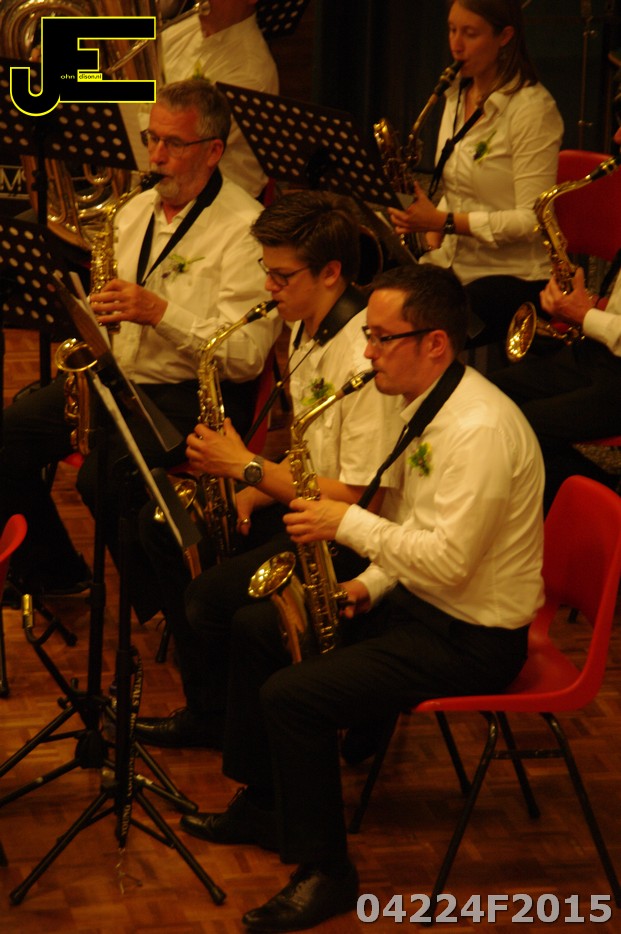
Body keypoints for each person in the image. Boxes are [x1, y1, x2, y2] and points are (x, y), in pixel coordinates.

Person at [176, 262, 545, 931]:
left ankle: (327, 873)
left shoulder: (479, 431)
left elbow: (450, 562)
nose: (367, 350)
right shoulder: (427, 403)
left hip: (472, 637)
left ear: (434, 343)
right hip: (421, 604)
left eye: (381, 337)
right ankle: (264, 805)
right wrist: (365, 587)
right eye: (368, 335)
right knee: (259, 628)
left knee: (294, 696)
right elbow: (413, 524)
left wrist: (342, 523)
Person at [0, 78, 280, 621]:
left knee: (101, 476)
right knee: (8, 435)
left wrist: (159, 312)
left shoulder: (246, 229)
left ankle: (179, 613)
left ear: (213, 151)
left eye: (173, 143)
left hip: (193, 397)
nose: (156, 157)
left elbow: (246, 356)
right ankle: (57, 573)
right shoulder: (132, 211)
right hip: (121, 381)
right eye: (152, 139)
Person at [134, 189, 403, 751]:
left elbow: (362, 498)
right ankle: (212, 708)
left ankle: (258, 715)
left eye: (281, 276)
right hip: (303, 501)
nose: (268, 287)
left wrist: (250, 470)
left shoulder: (365, 356)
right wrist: (254, 491)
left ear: (331, 273)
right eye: (267, 271)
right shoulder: (306, 324)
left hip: (348, 535)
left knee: (209, 602)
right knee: (162, 528)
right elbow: (312, 452)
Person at [388, 0, 563, 351]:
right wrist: (430, 231)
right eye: (452, 30)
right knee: (381, 298)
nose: (456, 44)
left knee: (415, 332)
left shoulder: (532, 110)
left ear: (504, 36)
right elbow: (462, 190)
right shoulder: (455, 95)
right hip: (455, 263)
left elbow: (532, 220)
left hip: (514, 276)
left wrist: (444, 221)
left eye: (470, 33)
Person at [489, 125, 621, 513]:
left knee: (522, 428)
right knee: (487, 399)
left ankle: (604, 508)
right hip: (602, 351)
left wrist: (584, 314)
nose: (615, 136)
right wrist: (588, 302)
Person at [160, 0, 279, 198]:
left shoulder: (251, 73)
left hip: (216, 200)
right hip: (167, 179)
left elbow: (186, 148)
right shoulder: (184, 29)